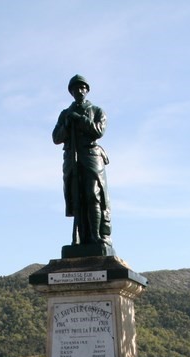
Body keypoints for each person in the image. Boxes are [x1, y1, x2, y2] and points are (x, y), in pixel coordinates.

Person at [53, 75, 111, 246]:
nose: (79, 91)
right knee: (76, 198)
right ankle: (79, 237)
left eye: (82, 88)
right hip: (72, 159)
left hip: (91, 157)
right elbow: (56, 137)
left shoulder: (97, 111)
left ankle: (96, 236)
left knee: (93, 195)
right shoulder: (65, 114)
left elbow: (98, 131)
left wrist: (80, 119)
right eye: (75, 88)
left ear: (87, 90)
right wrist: (67, 124)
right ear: (71, 92)